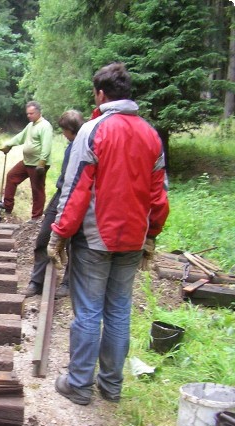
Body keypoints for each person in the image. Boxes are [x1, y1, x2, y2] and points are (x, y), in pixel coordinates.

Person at [48, 63, 169, 405]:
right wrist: (152, 236)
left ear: (100, 94)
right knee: (118, 310)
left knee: (88, 311)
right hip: (132, 238)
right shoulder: (150, 134)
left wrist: (59, 234)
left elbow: (76, 189)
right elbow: (159, 194)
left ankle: (80, 385)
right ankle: (111, 386)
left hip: (95, 237)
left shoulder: (93, 129)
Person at [23, 110, 84, 298]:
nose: (63, 134)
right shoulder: (70, 146)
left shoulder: (85, 145)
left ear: (69, 129)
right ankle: (36, 281)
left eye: (64, 130)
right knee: (44, 237)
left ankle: (67, 283)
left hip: (80, 197)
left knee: (75, 242)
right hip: (61, 194)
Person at [0, 101, 53, 222]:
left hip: (38, 164)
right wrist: (8, 145)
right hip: (27, 161)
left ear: (38, 112)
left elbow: (46, 146)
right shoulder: (30, 125)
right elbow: (20, 137)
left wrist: (42, 162)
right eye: (27, 114)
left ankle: (36, 217)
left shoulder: (45, 126)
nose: (29, 116)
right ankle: (7, 205)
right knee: (11, 176)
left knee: (37, 189)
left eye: (31, 113)